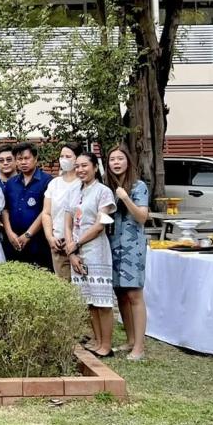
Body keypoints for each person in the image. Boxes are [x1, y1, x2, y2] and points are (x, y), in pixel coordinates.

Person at [66, 151, 117, 357]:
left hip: (96, 250)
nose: (80, 170)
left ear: (95, 167)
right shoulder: (74, 191)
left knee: (102, 301)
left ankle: (106, 345)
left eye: (84, 165)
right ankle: (97, 340)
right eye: (77, 166)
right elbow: (68, 222)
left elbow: (99, 225)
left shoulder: (103, 192)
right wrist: (71, 250)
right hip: (76, 251)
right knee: (89, 300)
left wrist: (76, 243)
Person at [106, 145, 150, 361]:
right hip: (112, 244)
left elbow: (142, 217)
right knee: (121, 293)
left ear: (128, 161)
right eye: (112, 159)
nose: (116, 163)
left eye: (120, 158)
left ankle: (139, 347)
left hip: (132, 247)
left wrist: (125, 198)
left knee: (134, 294)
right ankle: (131, 340)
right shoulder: (108, 187)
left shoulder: (138, 186)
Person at [2, 142, 51, 268]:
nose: (23, 162)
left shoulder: (48, 181)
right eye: (19, 159)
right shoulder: (11, 183)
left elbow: (46, 211)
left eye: (26, 158)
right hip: (13, 241)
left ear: (35, 159)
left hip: (38, 241)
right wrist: (9, 233)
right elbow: (5, 209)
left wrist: (28, 234)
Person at [42, 143, 82, 282]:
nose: (64, 159)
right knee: (63, 285)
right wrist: (50, 237)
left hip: (80, 244)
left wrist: (73, 242)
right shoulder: (54, 184)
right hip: (58, 243)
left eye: (68, 156)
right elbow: (46, 213)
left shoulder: (83, 183)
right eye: (61, 156)